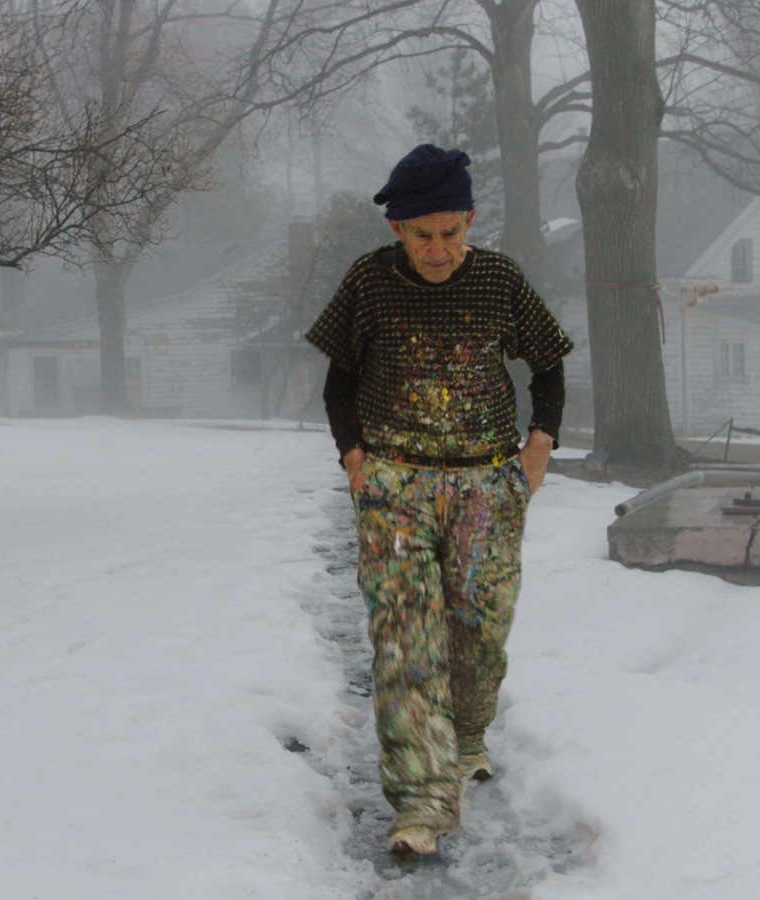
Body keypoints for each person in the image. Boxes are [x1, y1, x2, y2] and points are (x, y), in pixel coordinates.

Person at [304, 144, 574, 856]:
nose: (439, 249)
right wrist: (355, 458)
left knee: (477, 634)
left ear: (469, 221)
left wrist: (538, 445)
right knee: (405, 642)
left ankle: (468, 732)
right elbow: (339, 383)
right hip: (396, 482)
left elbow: (547, 366)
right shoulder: (368, 282)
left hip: (487, 483)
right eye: (423, 235)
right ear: (398, 231)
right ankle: (419, 804)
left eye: (451, 232)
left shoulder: (498, 280)